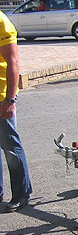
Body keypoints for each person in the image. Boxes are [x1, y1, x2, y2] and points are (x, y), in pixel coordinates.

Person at [0, 11, 31, 213]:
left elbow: (13, 62)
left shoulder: (2, 22)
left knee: (10, 146)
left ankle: (21, 194)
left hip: (1, 97)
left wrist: (10, 99)